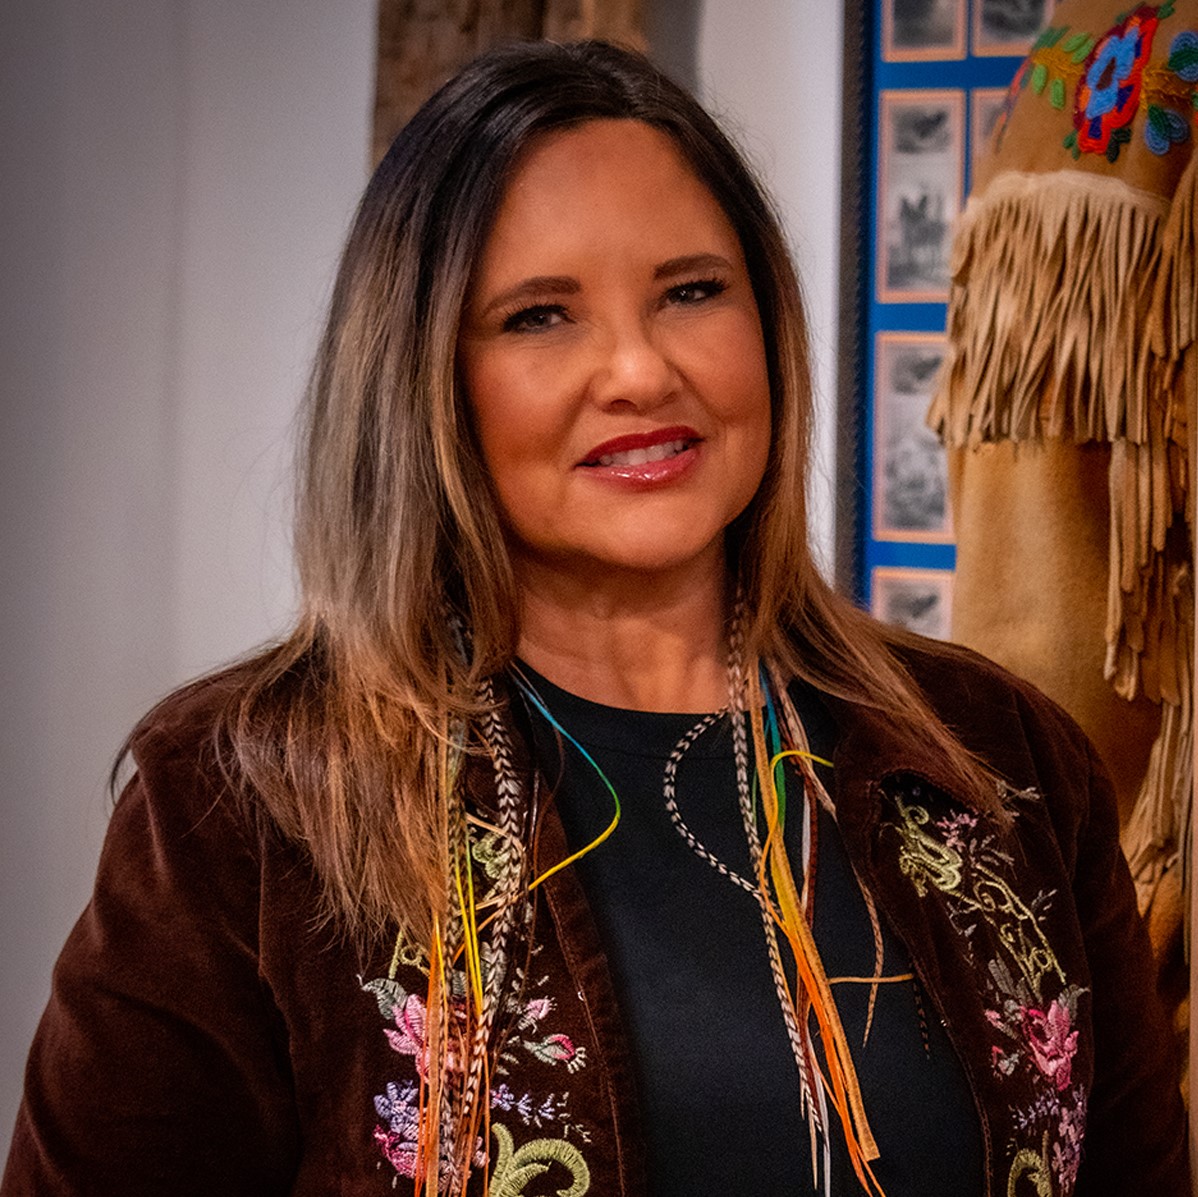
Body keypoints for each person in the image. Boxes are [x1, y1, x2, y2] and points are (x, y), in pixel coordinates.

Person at [0, 39, 1186, 1197]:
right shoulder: (247, 796)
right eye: (538, 316)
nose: (638, 370)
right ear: (424, 375)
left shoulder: (1000, 762)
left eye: (690, 292)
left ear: (765, 323)